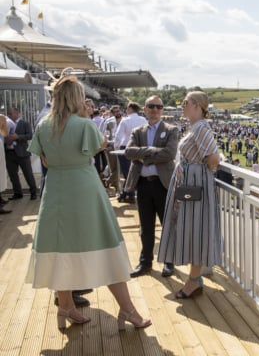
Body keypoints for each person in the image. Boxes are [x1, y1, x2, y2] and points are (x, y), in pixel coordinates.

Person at [25, 74, 150, 330]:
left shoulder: (44, 126)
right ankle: (128, 310)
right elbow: (97, 146)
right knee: (104, 248)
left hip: (56, 192)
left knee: (60, 250)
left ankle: (66, 307)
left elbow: (45, 160)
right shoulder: (84, 126)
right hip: (84, 191)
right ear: (76, 99)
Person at [157, 91, 222, 299]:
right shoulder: (195, 127)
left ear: (197, 106)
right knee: (191, 228)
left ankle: (193, 281)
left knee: (196, 229)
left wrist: (200, 174)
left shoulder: (202, 127)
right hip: (191, 183)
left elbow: (213, 158)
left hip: (195, 185)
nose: (182, 105)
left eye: (185, 102)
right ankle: (194, 279)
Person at [125, 96, 179, 278]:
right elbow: (128, 152)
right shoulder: (137, 130)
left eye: (159, 106)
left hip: (163, 184)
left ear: (162, 109)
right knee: (146, 227)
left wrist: (144, 154)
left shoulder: (171, 130)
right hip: (143, 185)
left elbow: (170, 154)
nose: (155, 109)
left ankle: (169, 262)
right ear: (145, 109)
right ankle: (145, 263)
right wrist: (154, 152)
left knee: (167, 225)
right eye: (151, 106)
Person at [114, 102, 147, 202]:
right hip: (139, 148)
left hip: (126, 147)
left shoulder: (125, 120)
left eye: (127, 108)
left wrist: (116, 148)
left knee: (127, 172)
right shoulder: (143, 120)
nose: (126, 109)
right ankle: (127, 194)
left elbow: (118, 136)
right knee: (135, 172)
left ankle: (128, 194)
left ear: (130, 109)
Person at [5, 107, 37, 200]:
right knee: (13, 175)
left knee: (28, 174)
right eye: (8, 114)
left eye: (10, 113)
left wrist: (17, 137)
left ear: (17, 113)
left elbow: (30, 136)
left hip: (22, 153)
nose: (9, 115)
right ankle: (17, 193)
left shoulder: (25, 123)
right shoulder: (6, 125)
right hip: (9, 153)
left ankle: (33, 192)